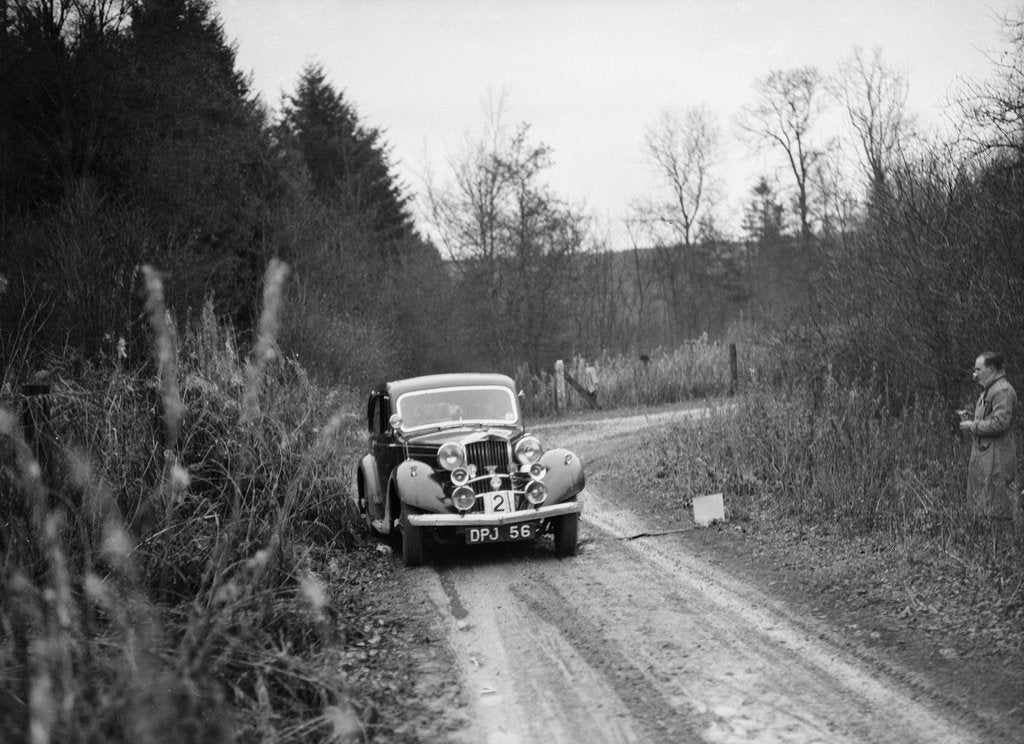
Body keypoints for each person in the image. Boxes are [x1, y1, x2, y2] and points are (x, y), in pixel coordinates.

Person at [958, 352, 1019, 529]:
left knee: (999, 501)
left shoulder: (1001, 391)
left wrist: (973, 425)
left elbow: (1000, 423)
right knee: (986, 498)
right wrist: (972, 419)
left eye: (978, 369)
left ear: (991, 369)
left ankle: (1000, 548)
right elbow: (992, 418)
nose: (974, 374)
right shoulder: (991, 389)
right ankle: (987, 542)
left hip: (998, 455)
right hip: (987, 454)